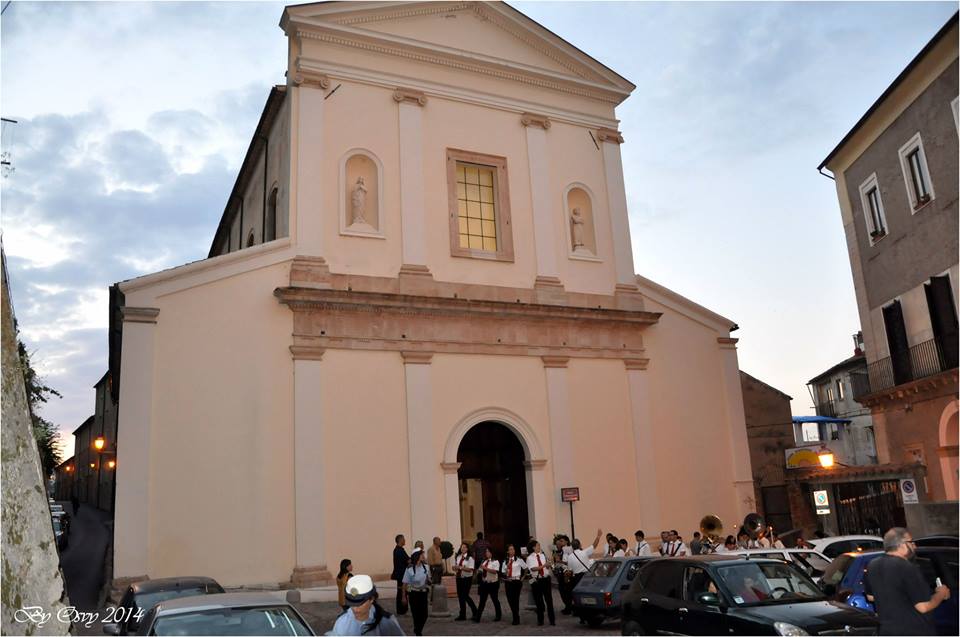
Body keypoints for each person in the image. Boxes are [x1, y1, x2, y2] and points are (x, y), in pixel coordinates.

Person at [865, 527, 950, 635]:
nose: (915, 546)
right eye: (911, 542)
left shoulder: (872, 565)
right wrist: (941, 594)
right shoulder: (907, 567)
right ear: (901, 544)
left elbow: (870, 597)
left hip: (887, 631)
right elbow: (923, 607)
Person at [328, 574, 405, 636]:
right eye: (351, 603)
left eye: (359, 603)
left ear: (371, 599)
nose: (355, 609)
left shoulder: (387, 623)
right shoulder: (341, 622)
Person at [565, 528, 602, 610]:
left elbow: (570, 571)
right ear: (579, 545)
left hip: (577, 578)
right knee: (588, 594)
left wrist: (567, 579)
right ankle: (590, 609)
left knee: (580, 596)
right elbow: (594, 545)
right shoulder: (584, 552)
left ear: (572, 547)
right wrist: (598, 536)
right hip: (586, 576)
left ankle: (581, 613)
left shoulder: (570, 557)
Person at [402, 548, 431, 636]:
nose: (423, 556)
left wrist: (430, 582)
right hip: (413, 594)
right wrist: (404, 596)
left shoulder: (426, 567)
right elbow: (405, 584)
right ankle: (418, 632)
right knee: (416, 614)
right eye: (421, 554)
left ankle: (417, 629)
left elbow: (429, 580)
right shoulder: (409, 569)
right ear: (417, 556)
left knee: (424, 615)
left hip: (423, 593)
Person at [526, 540, 555, 626]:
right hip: (536, 581)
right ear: (533, 547)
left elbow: (548, 565)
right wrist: (544, 566)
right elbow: (533, 569)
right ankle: (540, 620)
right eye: (538, 545)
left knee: (549, 600)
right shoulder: (530, 558)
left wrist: (550, 564)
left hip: (546, 579)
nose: (539, 547)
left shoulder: (543, 555)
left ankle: (552, 620)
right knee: (538, 601)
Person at [500, 544, 526, 626]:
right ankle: (515, 614)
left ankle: (516, 617)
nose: (512, 551)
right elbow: (503, 572)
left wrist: (523, 578)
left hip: (517, 582)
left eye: (513, 549)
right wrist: (506, 567)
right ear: (507, 551)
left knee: (515, 599)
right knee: (510, 600)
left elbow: (526, 568)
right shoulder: (505, 560)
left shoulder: (519, 559)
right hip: (508, 581)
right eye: (510, 549)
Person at [475, 546, 502, 622]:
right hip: (485, 583)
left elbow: (495, 571)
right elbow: (481, 570)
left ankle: (498, 615)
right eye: (486, 552)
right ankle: (478, 617)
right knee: (482, 601)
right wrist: (478, 571)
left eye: (488, 551)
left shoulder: (495, 561)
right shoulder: (484, 561)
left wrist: (485, 568)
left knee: (495, 600)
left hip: (493, 583)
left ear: (491, 553)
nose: (486, 553)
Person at [453, 542, 478, 621]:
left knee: (465, 595)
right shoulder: (458, 556)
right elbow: (457, 567)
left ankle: (475, 611)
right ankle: (462, 615)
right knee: (460, 597)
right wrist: (455, 568)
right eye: (461, 547)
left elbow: (470, 569)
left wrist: (460, 568)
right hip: (459, 578)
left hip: (467, 579)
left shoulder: (470, 558)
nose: (462, 548)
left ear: (467, 549)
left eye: (464, 547)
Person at [391, 534, 409, 615]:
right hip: (401, 574)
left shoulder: (398, 550)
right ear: (400, 540)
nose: (405, 540)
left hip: (401, 574)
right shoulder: (399, 550)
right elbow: (407, 560)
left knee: (401, 591)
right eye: (404, 539)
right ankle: (401, 609)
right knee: (402, 591)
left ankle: (402, 609)